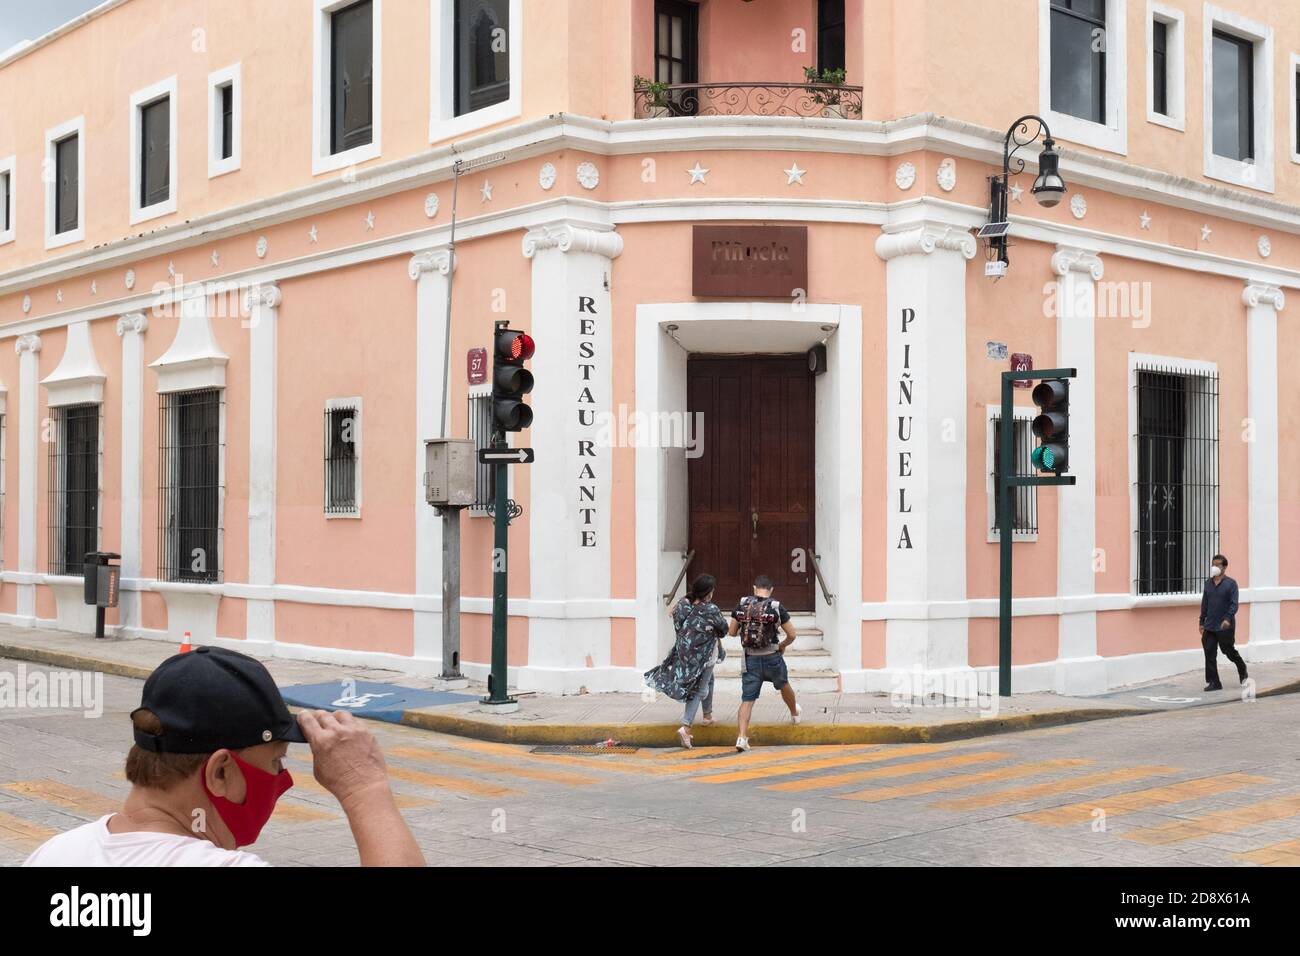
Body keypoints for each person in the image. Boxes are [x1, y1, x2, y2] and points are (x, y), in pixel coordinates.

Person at [24, 645, 426, 866]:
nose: (281, 779)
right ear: (220, 773)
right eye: (274, 761)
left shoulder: (53, 853)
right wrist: (365, 790)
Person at [646, 573, 728, 749]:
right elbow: (723, 630)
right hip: (705, 655)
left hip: (685, 653)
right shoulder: (710, 609)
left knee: (709, 680)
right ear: (708, 592)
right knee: (699, 689)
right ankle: (686, 727)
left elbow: (678, 626)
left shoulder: (682, 604)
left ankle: (707, 715)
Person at [728, 574, 801, 752]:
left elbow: (731, 631)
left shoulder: (743, 605)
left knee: (747, 699)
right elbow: (792, 634)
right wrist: (782, 646)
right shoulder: (776, 607)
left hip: (750, 658)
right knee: (783, 684)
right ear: (771, 590)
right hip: (772, 656)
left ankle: (742, 738)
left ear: (754, 588)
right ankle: (794, 713)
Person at [1200, 553, 1247, 692]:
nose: (1214, 567)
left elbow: (1234, 604)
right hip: (1210, 625)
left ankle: (1241, 667)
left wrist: (1227, 619)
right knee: (1209, 653)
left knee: (1228, 651)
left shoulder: (1231, 584)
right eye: (1213, 564)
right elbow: (1205, 603)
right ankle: (1214, 682)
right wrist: (1201, 621)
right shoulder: (1208, 583)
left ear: (1224, 567)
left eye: (1217, 565)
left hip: (1224, 625)